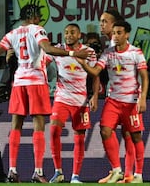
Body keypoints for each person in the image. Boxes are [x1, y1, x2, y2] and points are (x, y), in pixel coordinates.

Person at [0, 4, 90, 183]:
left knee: (15, 125)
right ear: (33, 16)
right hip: (35, 81)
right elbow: (48, 49)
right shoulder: (37, 30)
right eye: (39, 15)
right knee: (38, 126)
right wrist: (73, 52)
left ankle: (12, 171)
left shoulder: (13, 34)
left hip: (19, 82)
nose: (40, 18)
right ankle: (38, 171)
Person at [76, 21, 149, 183]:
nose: (115, 36)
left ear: (127, 34)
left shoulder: (136, 52)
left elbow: (144, 76)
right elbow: (96, 71)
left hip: (131, 101)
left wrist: (143, 97)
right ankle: (116, 169)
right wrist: (82, 63)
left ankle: (139, 175)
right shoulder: (108, 53)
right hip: (113, 100)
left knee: (136, 137)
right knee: (105, 130)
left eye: (119, 33)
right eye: (114, 33)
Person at [48, 23, 99, 183]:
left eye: (72, 32)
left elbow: (95, 76)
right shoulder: (58, 50)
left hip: (81, 100)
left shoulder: (89, 52)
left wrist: (95, 95)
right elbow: (44, 55)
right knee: (54, 130)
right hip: (62, 97)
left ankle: (75, 176)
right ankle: (58, 172)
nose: (68, 35)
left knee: (79, 137)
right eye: (66, 32)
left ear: (79, 36)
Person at [97, 9, 136, 184]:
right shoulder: (108, 48)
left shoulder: (125, 46)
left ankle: (127, 174)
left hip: (129, 97)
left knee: (128, 134)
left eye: (105, 21)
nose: (102, 24)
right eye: (101, 21)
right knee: (106, 129)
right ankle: (117, 171)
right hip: (113, 96)